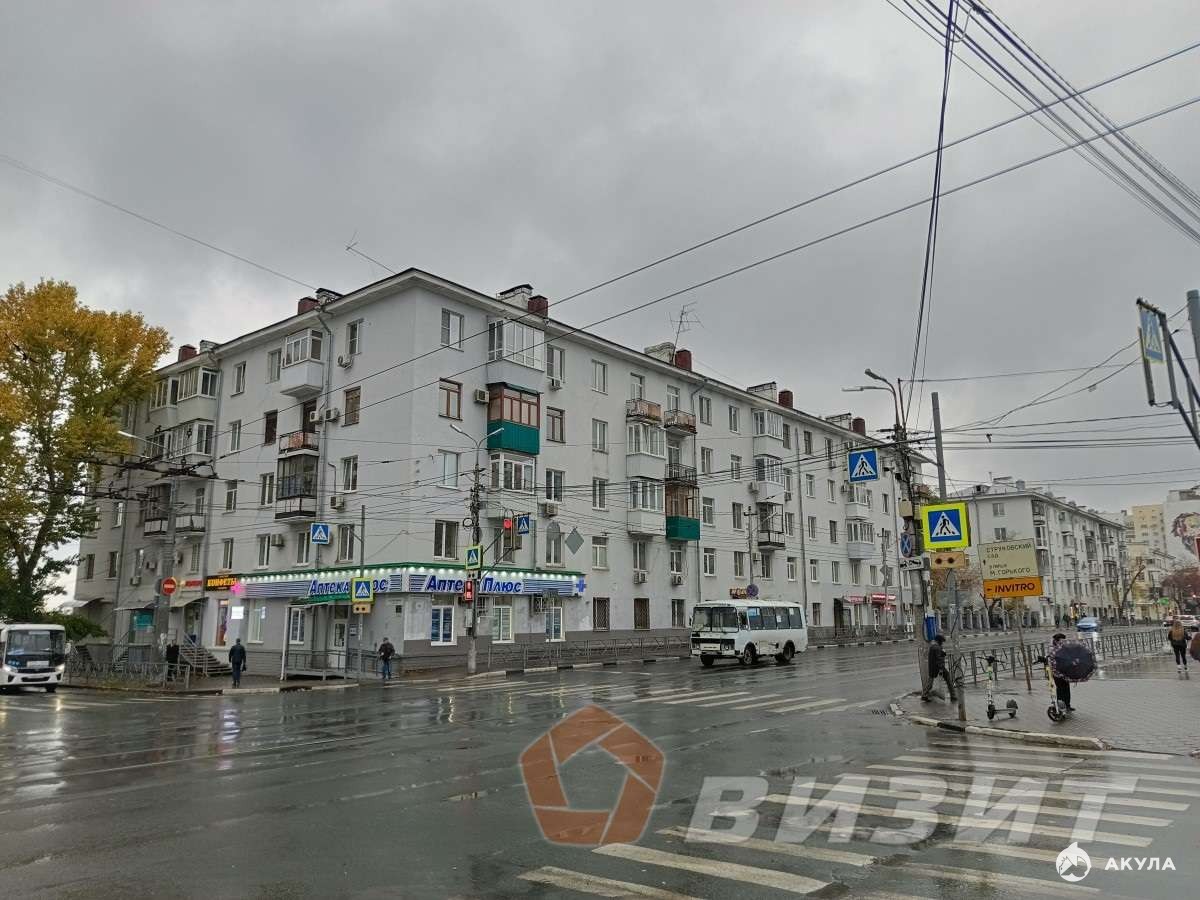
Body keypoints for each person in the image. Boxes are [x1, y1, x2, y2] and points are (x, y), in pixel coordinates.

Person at [922, 634, 956, 702]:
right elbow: (939, 659)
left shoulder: (933, 647)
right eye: (942, 641)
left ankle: (924, 695)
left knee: (930, 682)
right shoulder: (937, 648)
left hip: (932, 667)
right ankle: (953, 696)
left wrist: (943, 652)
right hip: (938, 667)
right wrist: (941, 668)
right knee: (948, 679)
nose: (942, 643)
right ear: (939, 641)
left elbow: (940, 655)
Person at [1049, 632, 1073, 711]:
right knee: (1060, 689)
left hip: (1065, 672)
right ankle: (1061, 706)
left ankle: (1067, 705)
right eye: (1062, 640)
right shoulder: (1053, 648)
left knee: (1066, 688)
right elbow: (1056, 660)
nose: (1064, 642)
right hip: (1057, 673)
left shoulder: (1063, 647)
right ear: (1057, 640)